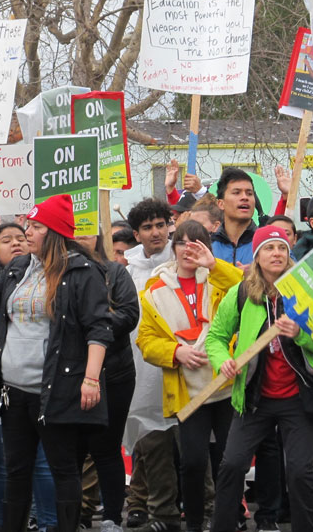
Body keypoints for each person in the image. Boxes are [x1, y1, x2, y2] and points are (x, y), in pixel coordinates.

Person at [0, 194, 113, 532]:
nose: (27, 231)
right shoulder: (18, 268)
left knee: (61, 467)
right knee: (16, 469)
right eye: (29, 223)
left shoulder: (82, 272)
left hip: (56, 390)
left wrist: (90, 379)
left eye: (36, 226)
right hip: (13, 392)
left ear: (54, 232)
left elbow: (99, 329)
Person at [205, 225, 313, 532]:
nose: (276, 253)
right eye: (269, 248)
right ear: (258, 255)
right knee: (232, 464)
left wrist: (301, 334)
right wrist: (223, 362)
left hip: (298, 398)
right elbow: (216, 338)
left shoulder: (305, 289)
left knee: (300, 472)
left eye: (282, 248)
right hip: (254, 398)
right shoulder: (241, 293)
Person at [137, 221, 242, 532]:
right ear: (173, 247)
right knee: (193, 461)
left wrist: (214, 265)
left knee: (230, 460)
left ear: (207, 247)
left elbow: (247, 294)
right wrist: (175, 353)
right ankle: (194, 522)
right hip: (188, 390)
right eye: (181, 242)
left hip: (225, 384)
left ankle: (229, 518)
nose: (188, 249)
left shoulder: (220, 279)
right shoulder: (155, 289)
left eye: (196, 243)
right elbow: (145, 340)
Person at [0, 222, 57, 532]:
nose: (17, 243)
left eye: (22, 237)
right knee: (4, 463)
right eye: (7, 240)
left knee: (43, 462)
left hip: (36, 384)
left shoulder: (44, 275)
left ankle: (47, 523)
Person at [122, 198, 179, 532]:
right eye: (148, 227)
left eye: (161, 225)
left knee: (186, 444)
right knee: (149, 438)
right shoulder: (127, 270)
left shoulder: (181, 260)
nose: (156, 232)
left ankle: (174, 511)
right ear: (136, 233)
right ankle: (150, 508)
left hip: (179, 361)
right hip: (139, 367)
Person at [76, 232, 140, 532]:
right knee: (72, 450)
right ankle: (72, 515)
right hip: (71, 374)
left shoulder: (115, 271)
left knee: (107, 448)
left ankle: (113, 517)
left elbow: (128, 315)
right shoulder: (60, 272)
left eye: (87, 229)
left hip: (114, 373)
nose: (81, 236)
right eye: (75, 230)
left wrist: (92, 323)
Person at [211, 168, 258, 266]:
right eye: (236, 193)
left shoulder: (268, 244)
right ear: (221, 204)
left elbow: (293, 278)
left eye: (249, 193)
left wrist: (257, 275)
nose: (245, 197)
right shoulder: (207, 246)